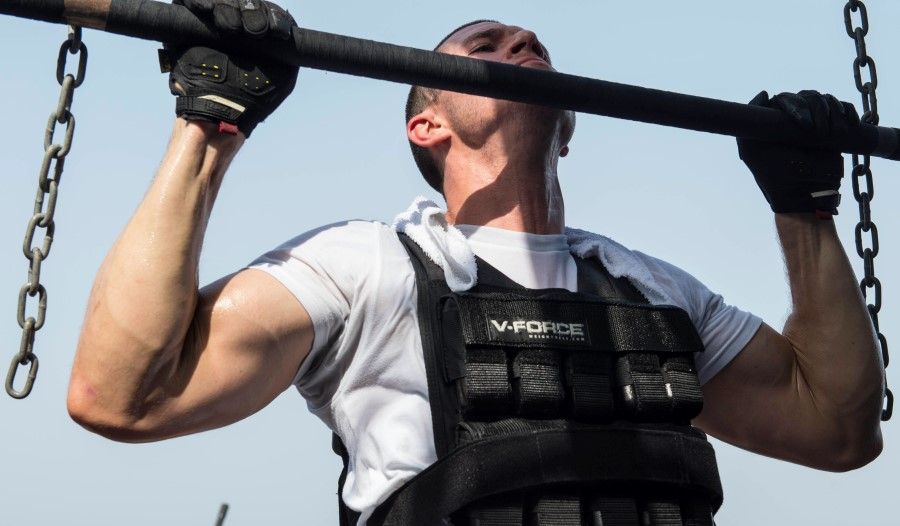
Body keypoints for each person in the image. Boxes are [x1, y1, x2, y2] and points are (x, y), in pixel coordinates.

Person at [66, 1, 885, 524]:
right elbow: (121, 396)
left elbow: (838, 428)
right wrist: (209, 123)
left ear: (570, 124)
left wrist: (802, 205)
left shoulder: (654, 289)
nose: (522, 41)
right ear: (427, 126)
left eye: (533, 43)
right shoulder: (364, 266)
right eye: (485, 43)